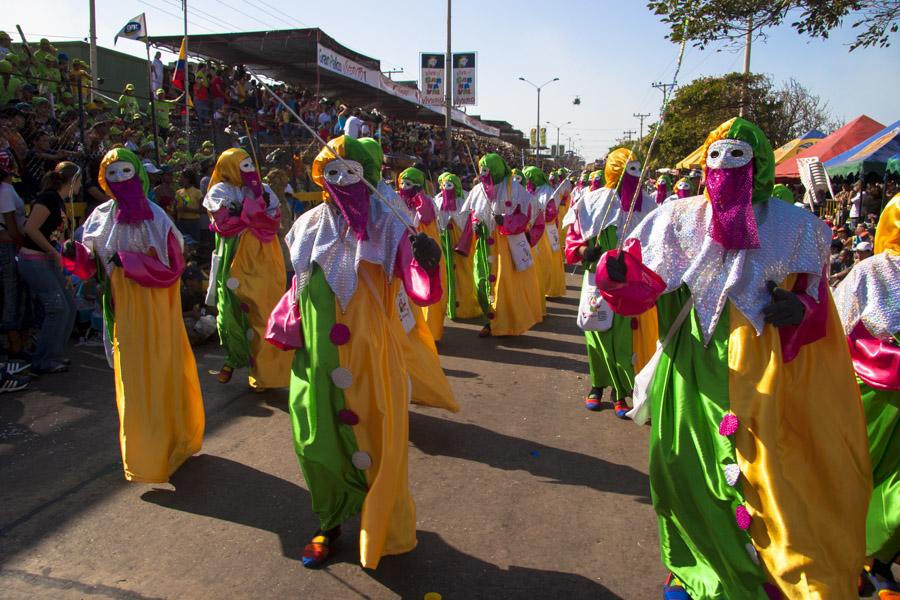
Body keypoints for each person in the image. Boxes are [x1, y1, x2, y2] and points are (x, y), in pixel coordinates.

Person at [596, 117, 871, 599]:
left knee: (766, 475)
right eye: (716, 156)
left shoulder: (795, 228)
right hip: (691, 368)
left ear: (760, 165)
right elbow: (644, 287)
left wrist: (799, 308)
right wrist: (617, 275)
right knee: (680, 467)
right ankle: (694, 560)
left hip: (762, 371)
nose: (724, 167)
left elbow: (816, 301)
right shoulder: (677, 219)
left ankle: (759, 569)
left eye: (737, 156)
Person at [265, 134, 444, 569]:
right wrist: (288, 326)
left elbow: (417, 289)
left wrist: (428, 260)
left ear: (368, 175)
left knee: (377, 436)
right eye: (332, 172)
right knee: (315, 440)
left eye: (352, 171)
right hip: (317, 357)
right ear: (321, 177)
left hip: (371, 358)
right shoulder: (307, 225)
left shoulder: (391, 223)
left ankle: (382, 522)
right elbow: (299, 285)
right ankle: (329, 520)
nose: (342, 180)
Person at [68, 148, 204, 483]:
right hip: (124, 308)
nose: (118, 180)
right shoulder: (99, 216)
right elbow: (90, 265)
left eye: (125, 172)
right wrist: (75, 254)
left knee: (163, 367)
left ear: (138, 176)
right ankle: (147, 457)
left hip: (157, 304)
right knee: (134, 377)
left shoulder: (156, 216)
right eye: (111, 174)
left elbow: (174, 259)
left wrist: (133, 262)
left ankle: (175, 441)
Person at [833, 195, 899, 596]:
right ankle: (856, 556)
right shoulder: (872, 270)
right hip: (871, 392)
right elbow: (837, 323)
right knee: (859, 475)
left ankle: (879, 557)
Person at [563, 148, 657, 415]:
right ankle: (597, 385)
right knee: (597, 335)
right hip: (598, 281)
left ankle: (621, 390)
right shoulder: (591, 202)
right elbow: (574, 241)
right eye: (629, 169)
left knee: (624, 339)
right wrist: (585, 252)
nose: (634, 175)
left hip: (630, 284)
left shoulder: (648, 205)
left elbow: (655, 246)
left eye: (637, 169)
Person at [203, 147, 291, 389]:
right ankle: (233, 358)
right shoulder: (219, 190)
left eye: (250, 164)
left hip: (262, 257)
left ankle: (265, 373)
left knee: (263, 311)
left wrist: (252, 203)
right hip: (234, 257)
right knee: (230, 313)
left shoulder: (263, 189)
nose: (249, 170)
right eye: (242, 166)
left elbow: (272, 219)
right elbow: (224, 223)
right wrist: (251, 213)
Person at [462, 152, 543, 337]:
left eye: (487, 169)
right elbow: (475, 211)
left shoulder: (516, 190)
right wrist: (475, 223)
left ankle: (505, 321)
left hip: (506, 247)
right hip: (484, 246)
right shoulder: (478, 190)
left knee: (503, 285)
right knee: (483, 283)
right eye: (482, 169)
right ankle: (489, 317)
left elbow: (526, 216)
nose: (484, 173)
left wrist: (505, 220)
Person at [18, 161, 78, 373]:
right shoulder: (48, 198)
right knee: (57, 307)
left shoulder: (60, 202)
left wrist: (66, 271)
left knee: (70, 304)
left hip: (49, 261)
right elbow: (31, 228)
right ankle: (44, 360)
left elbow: (58, 239)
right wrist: (52, 252)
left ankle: (56, 353)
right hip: (34, 261)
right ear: (72, 181)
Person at [397, 166, 445, 341]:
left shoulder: (426, 202)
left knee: (426, 286)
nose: (403, 186)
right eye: (401, 182)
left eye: (408, 183)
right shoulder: (397, 201)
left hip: (424, 253)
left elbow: (425, 217)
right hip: (406, 253)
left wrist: (419, 198)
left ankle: (430, 332)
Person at [434, 171, 480, 319]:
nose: (447, 188)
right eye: (444, 185)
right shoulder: (438, 201)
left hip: (462, 243)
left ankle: (467, 305)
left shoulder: (465, 199)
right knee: (447, 273)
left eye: (450, 185)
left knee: (465, 272)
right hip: (446, 244)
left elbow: (471, 220)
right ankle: (450, 304)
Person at [0, 153, 28, 363]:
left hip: (8, 245)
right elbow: (11, 225)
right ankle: (14, 343)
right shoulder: (5, 190)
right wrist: (22, 241)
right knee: (12, 293)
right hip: (8, 248)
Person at [523, 166, 565, 299]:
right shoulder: (532, 191)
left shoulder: (548, 192)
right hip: (534, 229)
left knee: (547, 259)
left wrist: (541, 214)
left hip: (546, 231)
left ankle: (549, 288)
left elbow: (551, 213)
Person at [175, 169, 203, 240]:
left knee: (194, 243)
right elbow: (174, 206)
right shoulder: (178, 192)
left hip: (194, 222)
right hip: (181, 222)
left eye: (182, 177)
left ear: (188, 179)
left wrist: (188, 210)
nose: (180, 179)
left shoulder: (197, 192)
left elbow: (203, 210)